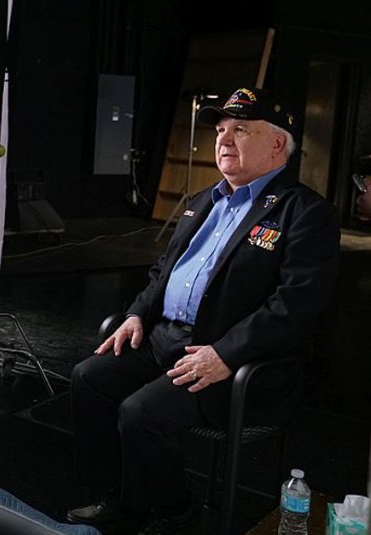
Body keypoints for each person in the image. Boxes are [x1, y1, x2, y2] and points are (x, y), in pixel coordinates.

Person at [65, 87, 340, 535]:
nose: (224, 139)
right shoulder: (202, 202)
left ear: (277, 144)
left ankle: (174, 510)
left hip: (233, 360)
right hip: (163, 338)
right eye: (221, 130)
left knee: (140, 413)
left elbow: (295, 305)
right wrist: (136, 313)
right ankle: (113, 497)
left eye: (241, 130)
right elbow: (163, 271)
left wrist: (226, 354)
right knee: (88, 378)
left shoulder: (306, 213)